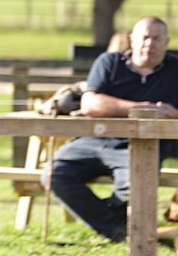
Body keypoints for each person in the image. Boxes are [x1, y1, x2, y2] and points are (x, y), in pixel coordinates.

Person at [49, 16, 178, 242]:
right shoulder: (109, 62)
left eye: (156, 39)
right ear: (132, 40)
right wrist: (143, 108)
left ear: (166, 42)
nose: (149, 44)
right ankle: (119, 230)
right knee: (54, 174)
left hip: (142, 146)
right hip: (94, 139)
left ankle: (118, 230)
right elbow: (90, 104)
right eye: (144, 37)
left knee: (134, 187)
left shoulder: (176, 69)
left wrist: (173, 113)